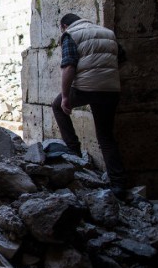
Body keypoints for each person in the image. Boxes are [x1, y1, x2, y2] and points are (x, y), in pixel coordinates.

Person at [52, 13, 128, 197]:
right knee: (106, 138)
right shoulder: (107, 33)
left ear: (63, 26)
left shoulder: (70, 34)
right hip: (110, 89)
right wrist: (105, 76)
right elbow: (123, 58)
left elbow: (69, 66)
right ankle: (118, 186)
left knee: (57, 107)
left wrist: (65, 96)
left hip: (86, 87)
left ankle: (73, 151)